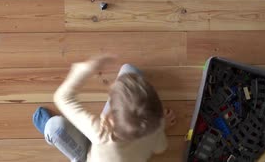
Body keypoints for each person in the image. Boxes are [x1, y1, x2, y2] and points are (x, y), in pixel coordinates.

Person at [32, 56, 176, 162]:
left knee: (54, 126)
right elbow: (160, 148)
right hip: (124, 138)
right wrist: (162, 127)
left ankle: (48, 130)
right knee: (130, 70)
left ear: (111, 118)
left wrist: (84, 69)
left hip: (89, 156)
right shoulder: (155, 127)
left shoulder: (101, 133)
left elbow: (62, 97)